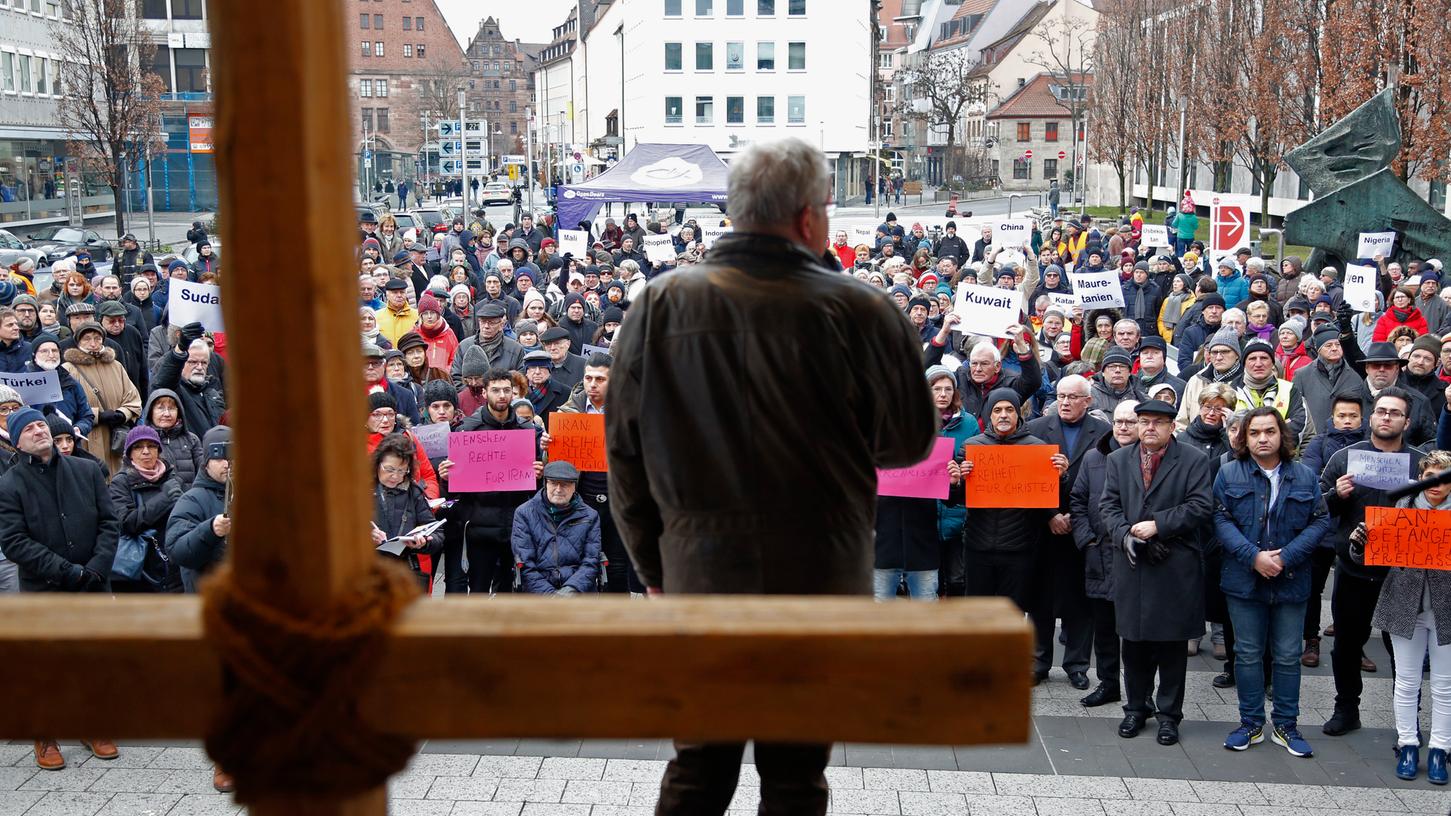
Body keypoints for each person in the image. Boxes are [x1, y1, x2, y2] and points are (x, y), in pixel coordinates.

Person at [606, 139, 935, 816]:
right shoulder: (862, 308)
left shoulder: (660, 303)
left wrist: (653, 564)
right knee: (794, 772)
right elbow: (906, 442)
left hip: (698, 568)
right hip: (819, 568)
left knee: (698, 763)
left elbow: (624, 458)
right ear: (811, 219)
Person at [0, 407, 120, 769]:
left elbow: (109, 523)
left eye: (41, 424)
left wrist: (96, 568)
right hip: (46, 588)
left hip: (92, 584)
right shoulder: (10, 484)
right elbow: (14, 542)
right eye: (29, 428)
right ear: (16, 441)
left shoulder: (88, 470)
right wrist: (67, 572)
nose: (39, 430)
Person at [1214, 407, 1331, 757]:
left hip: (1291, 579)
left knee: (1287, 655)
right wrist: (1254, 556)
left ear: (1282, 436)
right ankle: (1250, 723)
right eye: (1254, 433)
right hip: (1244, 579)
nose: (1263, 438)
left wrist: (1286, 556)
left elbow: (1320, 521)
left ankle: (1286, 725)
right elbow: (1220, 521)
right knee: (1247, 655)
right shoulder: (1229, 473)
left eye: (1269, 431)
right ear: (1243, 438)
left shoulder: (1305, 476)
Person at [1101, 399, 1214, 746]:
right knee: (1133, 644)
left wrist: (1158, 526)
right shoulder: (1118, 459)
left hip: (1174, 566)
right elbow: (1108, 505)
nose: (1150, 428)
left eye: (1158, 422)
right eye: (1144, 421)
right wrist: (1124, 535)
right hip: (1133, 565)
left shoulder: (1194, 459)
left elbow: (1201, 506)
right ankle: (1135, 708)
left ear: (1172, 427)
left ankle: (1169, 715)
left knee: (1171, 646)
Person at [1320, 388, 1424, 737]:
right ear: (1371, 417)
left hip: (1403, 573)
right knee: (1347, 643)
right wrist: (1337, 494)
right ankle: (1346, 708)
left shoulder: (1421, 464)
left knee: (1403, 649)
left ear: (1406, 422)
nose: (1386, 417)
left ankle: (1405, 720)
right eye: (1381, 411)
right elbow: (1317, 508)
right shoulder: (1346, 458)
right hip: (1354, 569)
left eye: (1394, 413)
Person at [1349, 450, 1451, 784]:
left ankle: (1439, 749)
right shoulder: (1401, 509)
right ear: (1421, 478)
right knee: (1406, 681)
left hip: (1446, 609)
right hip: (1404, 604)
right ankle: (1407, 743)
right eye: (1430, 476)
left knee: (1445, 685)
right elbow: (1372, 556)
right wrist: (1360, 543)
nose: (1436, 484)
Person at [1026, 374, 1108, 689]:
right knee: (1040, 598)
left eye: (1073, 397)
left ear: (1087, 401)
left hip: (1082, 526)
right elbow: (1027, 482)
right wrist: (1050, 515)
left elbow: (1105, 484)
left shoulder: (1103, 432)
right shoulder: (1035, 430)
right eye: (1061, 396)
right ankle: (1038, 661)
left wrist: (1075, 517)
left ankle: (1076, 665)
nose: (1065, 402)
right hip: (1042, 527)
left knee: (1079, 600)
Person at [1071, 399, 1139, 707]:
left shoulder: (1149, 458)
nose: (1124, 427)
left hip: (1136, 556)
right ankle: (1109, 684)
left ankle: (1140, 694)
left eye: (1131, 422)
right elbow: (1078, 501)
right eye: (1120, 421)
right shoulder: (1092, 458)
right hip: (1099, 555)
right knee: (1105, 629)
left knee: (1138, 632)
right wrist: (1087, 541)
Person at [107, 425, 185, 593]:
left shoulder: (172, 478)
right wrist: (164, 499)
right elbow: (126, 523)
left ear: (158, 449)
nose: (145, 451)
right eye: (138, 447)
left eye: (151, 446)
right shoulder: (121, 482)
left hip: (174, 566)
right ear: (129, 453)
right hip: (141, 569)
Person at [510, 460, 602, 595]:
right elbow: (525, 564)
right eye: (553, 483)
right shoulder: (524, 513)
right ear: (545, 484)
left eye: (565, 484)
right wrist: (550, 595)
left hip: (577, 589)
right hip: (538, 590)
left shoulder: (590, 515)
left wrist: (571, 590)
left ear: (574, 486)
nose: (558, 489)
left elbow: (591, 561)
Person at [63, 321, 142, 475]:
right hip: (86, 438)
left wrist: (122, 414)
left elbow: (134, 399)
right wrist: (97, 415)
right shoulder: (68, 370)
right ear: (78, 341)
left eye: (97, 338)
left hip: (115, 438)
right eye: (87, 338)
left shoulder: (116, 366)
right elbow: (66, 409)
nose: (93, 343)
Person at [370, 434, 445, 592]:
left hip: (404, 571)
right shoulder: (361, 489)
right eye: (389, 469)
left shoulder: (413, 492)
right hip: (368, 570)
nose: (395, 476)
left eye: (402, 471)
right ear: (378, 464)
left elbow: (437, 533)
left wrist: (424, 542)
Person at [168, 425, 232, 594]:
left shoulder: (253, 497)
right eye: (219, 458)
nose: (227, 464)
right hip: (208, 599)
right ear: (206, 464)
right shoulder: (192, 499)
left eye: (232, 457)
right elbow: (177, 550)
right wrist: (210, 530)